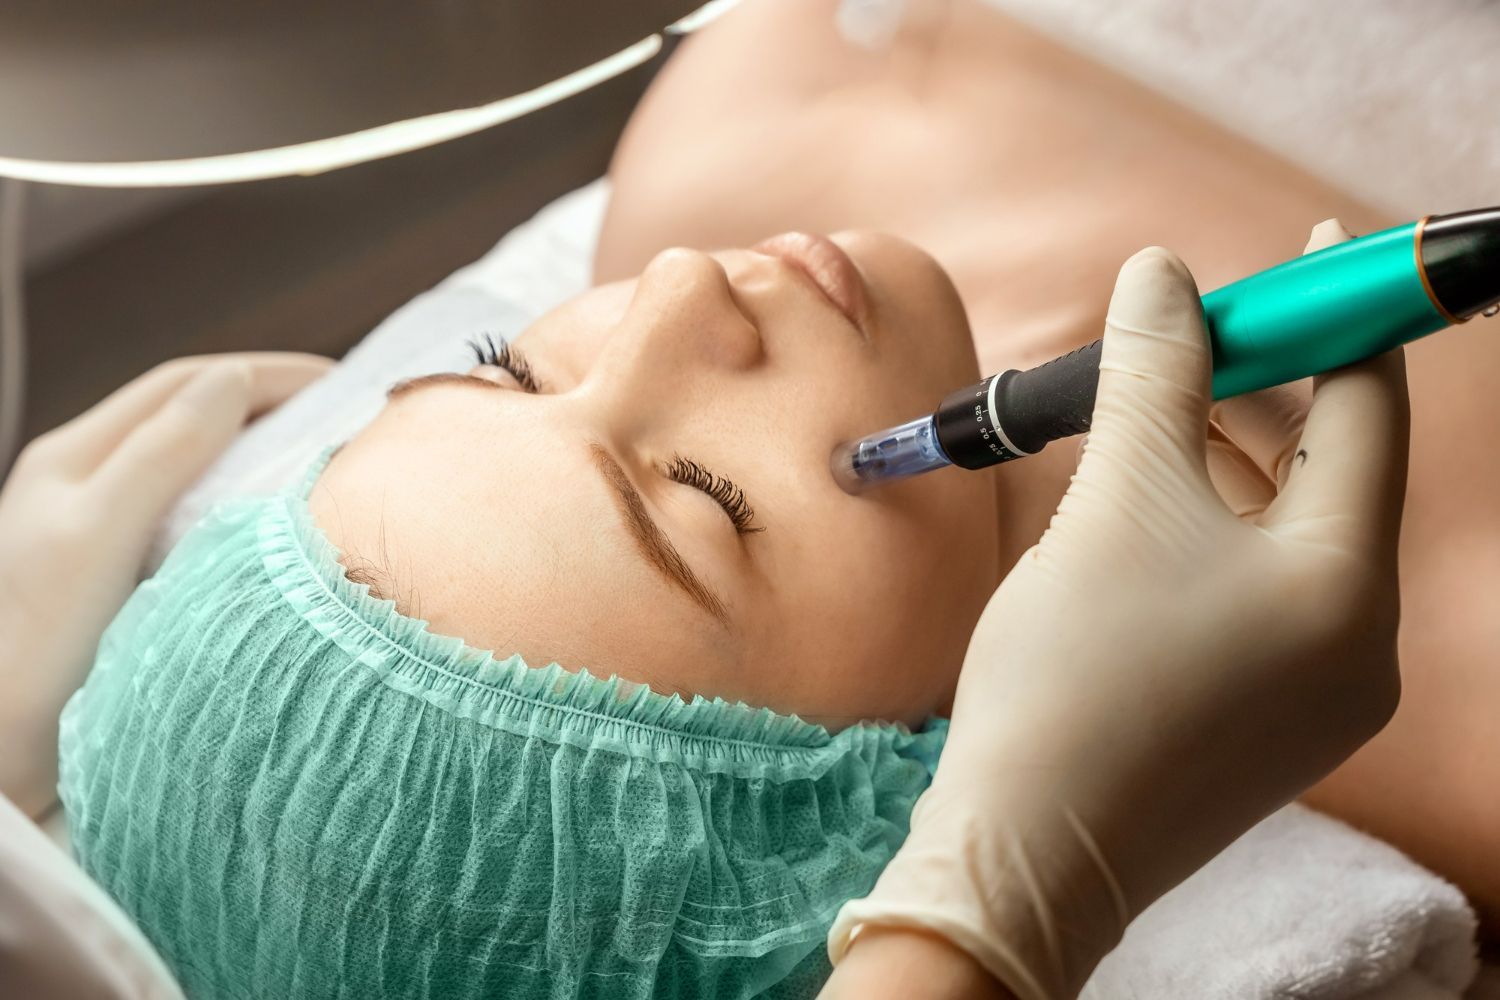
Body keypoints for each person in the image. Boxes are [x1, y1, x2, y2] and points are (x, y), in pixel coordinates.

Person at [0, 243, 1408, 1000]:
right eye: (709, 500)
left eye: (514, 368)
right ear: (880, 797)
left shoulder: (736, 126)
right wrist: (1007, 908)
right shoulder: (1442, 701)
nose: (678, 288)